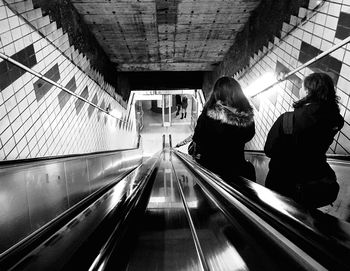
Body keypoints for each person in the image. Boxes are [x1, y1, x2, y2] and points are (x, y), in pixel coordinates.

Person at [264, 72, 344, 207]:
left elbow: (269, 150)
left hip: (284, 184)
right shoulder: (336, 121)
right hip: (314, 184)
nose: (300, 90)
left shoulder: (287, 119)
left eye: (302, 87)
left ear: (307, 91)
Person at [191, 76, 256, 181]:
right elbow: (249, 135)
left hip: (210, 172)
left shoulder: (207, 114)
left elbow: (198, 138)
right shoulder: (245, 117)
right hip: (236, 171)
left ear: (216, 93)